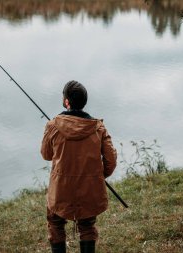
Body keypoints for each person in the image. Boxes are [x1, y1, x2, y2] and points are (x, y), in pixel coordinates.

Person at [41, 80, 117, 253]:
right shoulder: (98, 128)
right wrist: (97, 177)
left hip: (60, 190)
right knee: (87, 226)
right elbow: (111, 160)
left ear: (66, 102)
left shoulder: (53, 126)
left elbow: (46, 155)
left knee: (55, 223)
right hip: (90, 189)